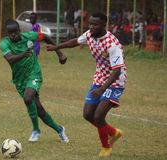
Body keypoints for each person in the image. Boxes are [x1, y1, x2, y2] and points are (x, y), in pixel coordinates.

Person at [47, 12, 127, 157]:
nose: (91, 27)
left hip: (115, 81)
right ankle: (113, 132)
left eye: (95, 24)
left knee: (99, 115)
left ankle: (106, 147)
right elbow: (75, 42)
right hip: (99, 78)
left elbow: (117, 70)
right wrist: (56, 47)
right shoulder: (90, 34)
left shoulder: (112, 43)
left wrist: (103, 89)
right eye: (90, 23)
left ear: (104, 25)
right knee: (88, 114)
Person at [0, 19, 69, 143]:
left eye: (15, 32)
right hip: (20, 79)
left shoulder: (29, 36)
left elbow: (46, 37)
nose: (13, 35)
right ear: (7, 33)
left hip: (34, 73)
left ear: (19, 31)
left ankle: (36, 130)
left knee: (27, 98)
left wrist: (59, 53)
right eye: (10, 33)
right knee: (40, 111)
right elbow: (10, 59)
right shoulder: (4, 43)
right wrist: (24, 54)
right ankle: (59, 130)